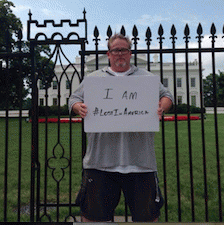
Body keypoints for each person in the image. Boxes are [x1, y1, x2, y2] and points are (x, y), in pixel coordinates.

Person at [69, 34, 174, 222]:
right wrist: (78, 107)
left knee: (147, 218)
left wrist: (162, 106)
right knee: (94, 218)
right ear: (108, 54)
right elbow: (74, 99)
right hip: (99, 161)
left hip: (140, 162)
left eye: (123, 50)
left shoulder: (146, 79)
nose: (120, 54)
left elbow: (167, 96)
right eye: (115, 50)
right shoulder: (94, 79)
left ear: (130, 53)